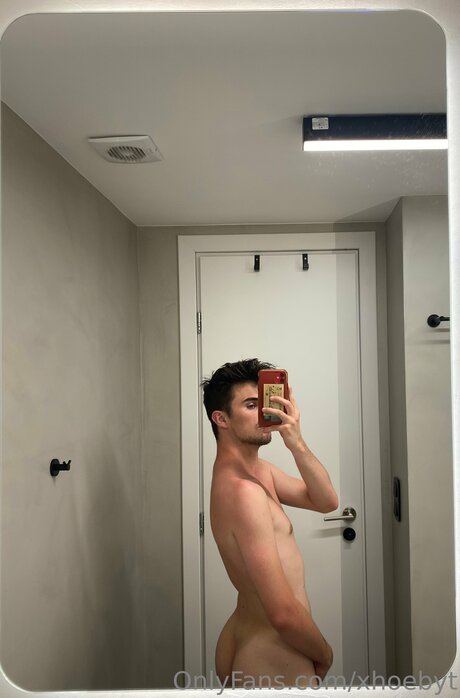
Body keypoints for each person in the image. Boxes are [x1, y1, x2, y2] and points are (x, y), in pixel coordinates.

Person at [202, 358, 339, 690]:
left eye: (263, 401)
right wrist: (325, 654)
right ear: (221, 419)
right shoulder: (243, 492)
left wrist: (296, 441)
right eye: (251, 405)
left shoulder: (257, 472)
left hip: (251, 631)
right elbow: (282, 613)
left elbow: (326, 501)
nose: (264, 412)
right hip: (272, 651)